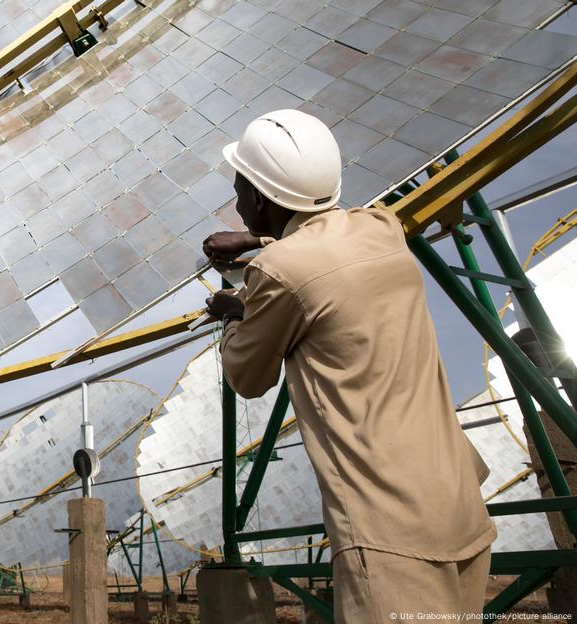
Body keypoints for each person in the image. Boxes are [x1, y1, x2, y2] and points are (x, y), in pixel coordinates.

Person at [203, 109, 495, 623]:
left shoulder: (278, 273)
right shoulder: (381, 228)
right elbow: (324, 259)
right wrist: (260, 241)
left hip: (389, 532)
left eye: (240, 192)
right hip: (459, 503)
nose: (237, 206)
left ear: (262, 200)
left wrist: (235, 312)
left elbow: (248, 378)